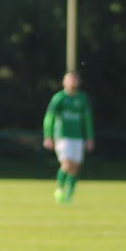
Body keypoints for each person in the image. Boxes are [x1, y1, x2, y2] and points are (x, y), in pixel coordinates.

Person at [42, 70, 95, 204]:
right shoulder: (59, 98)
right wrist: (48, 136)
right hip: (62, 136)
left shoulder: (82, 98)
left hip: (77, 137)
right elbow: (49, 117)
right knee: (67, 163)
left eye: (75, 80)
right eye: (70, 79)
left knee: (75, 167)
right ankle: (60, 189)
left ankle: (69, 196)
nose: (73, 82)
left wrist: (89, 137)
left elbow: (87, 120)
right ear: (64, 82)